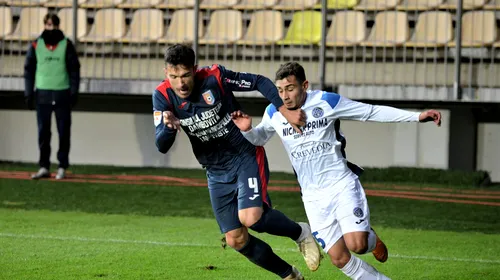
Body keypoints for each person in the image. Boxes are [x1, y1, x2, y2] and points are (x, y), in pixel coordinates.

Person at [231, 62, 443, 280]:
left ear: (304, 85)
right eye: (280, 90)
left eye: (290, 88)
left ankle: (371, 239)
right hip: (313, 198)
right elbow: (260, 138)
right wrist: (248, 130)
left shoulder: (326, 102)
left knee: (357, 244)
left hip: (341, 185)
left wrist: (417, 116)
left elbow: (370, 112)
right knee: (339, 259)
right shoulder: (273, 111)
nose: (284, 96)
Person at [152, 45, 321, 280]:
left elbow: (259, 81)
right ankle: (289, 275)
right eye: (173, 77)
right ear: (166, 73)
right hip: (215, 170)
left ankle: (301, 232)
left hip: (244, 155)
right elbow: (161, 144)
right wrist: (169, 128)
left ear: (195, 69)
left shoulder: (215, 77)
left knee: (252, 218)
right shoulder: (161, 96)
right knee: (235, 238)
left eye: (185, 75)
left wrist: (285, 111)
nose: (180, 83)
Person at [24, 12, 80, 180]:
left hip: (62, 93)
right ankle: (44, 166)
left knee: (63, 132)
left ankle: (62, 166)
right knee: (43, 132)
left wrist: (74, 92)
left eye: (54, 25)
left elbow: (74, 70)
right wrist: (28, 93)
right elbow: (29, 70)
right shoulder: (36, 45)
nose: (51, 28)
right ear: (44, 25)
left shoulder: (67, 45)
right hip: (42, 94)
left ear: (58, 26)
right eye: (48, 25)